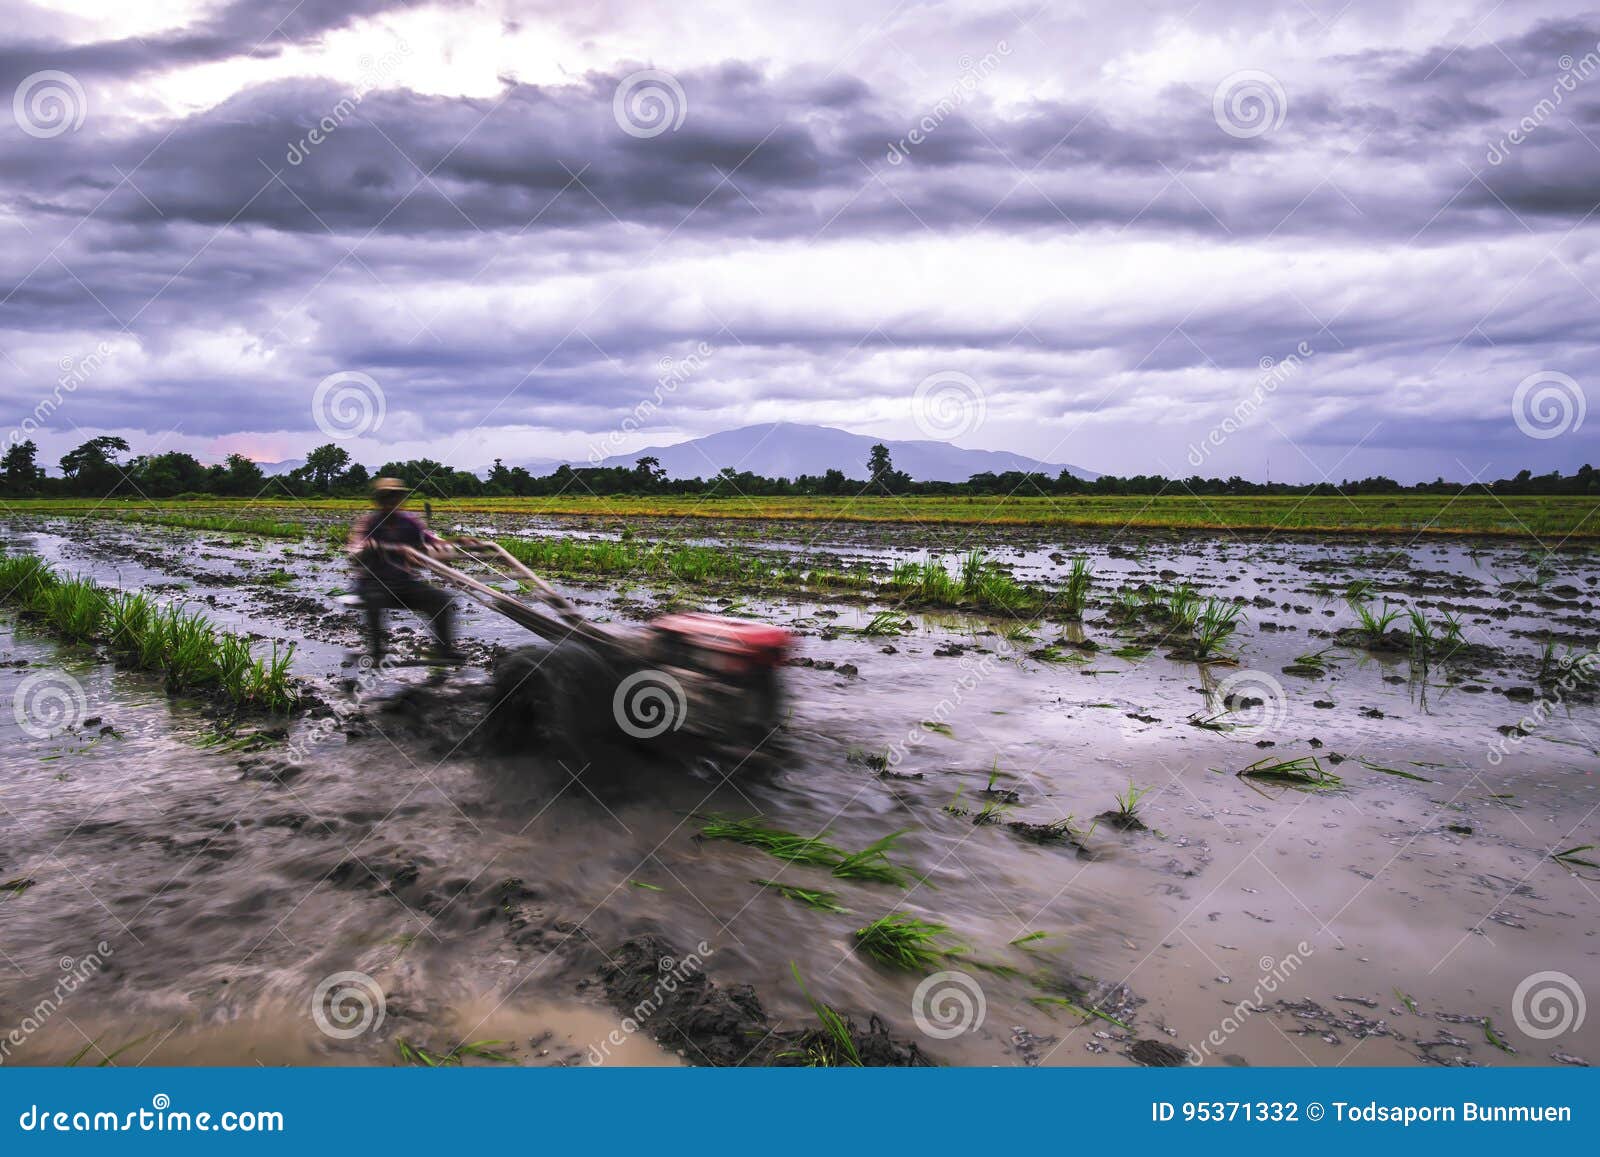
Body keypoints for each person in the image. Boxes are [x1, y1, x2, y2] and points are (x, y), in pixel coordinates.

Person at [348, 477, 460, 666]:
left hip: (404, 584)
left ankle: (445, 650)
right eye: (387, 497)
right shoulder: (369, 524)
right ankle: (376, 652)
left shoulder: (410, 523)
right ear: (378, 500)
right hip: (374, 583)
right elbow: (355, 552)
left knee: (442, 600)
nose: (391, 501)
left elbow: (431, 540)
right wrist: (371, 548)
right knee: (375, 599)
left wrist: (454, 544)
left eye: (396, 497)